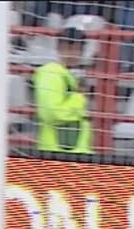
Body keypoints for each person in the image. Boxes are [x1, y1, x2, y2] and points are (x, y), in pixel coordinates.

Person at [33, 27, 92, 155]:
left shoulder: (74, 76)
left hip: (77, 153)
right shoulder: (51, 73)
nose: (73, 54)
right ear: (58, 48)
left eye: (77, 49)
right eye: (68, 48)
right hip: (55, 152)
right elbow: (52, 113)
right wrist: (79, 97)